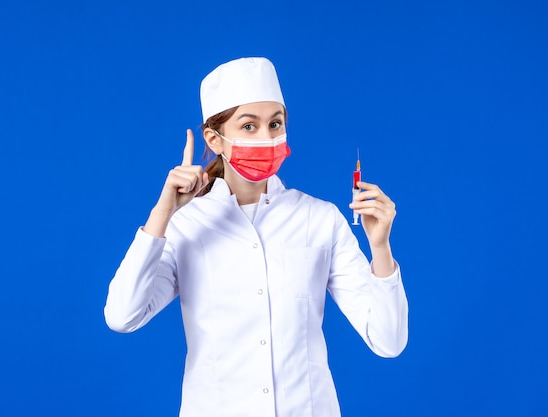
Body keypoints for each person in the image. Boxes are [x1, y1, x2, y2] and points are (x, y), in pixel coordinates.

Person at [104, 57, 408, 417]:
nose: (267, 138)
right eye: (249, 127)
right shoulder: (186, 225)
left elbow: (388, 341)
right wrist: (162, 214)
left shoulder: (319, 219)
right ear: (214, 140)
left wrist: (380, 248)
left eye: (275, 124)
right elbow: (122, 316)